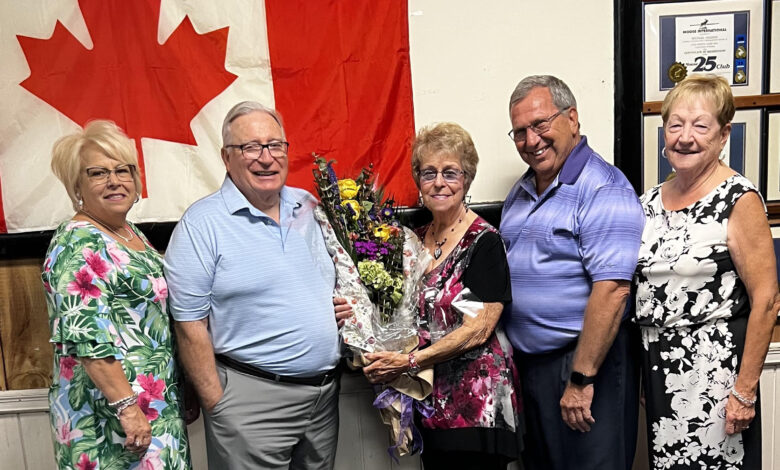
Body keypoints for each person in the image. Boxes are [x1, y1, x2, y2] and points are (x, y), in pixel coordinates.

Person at [164, 101, 351, 470]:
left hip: (324, 399)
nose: (266, 157)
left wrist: (338, 308)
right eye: (251, 147)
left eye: (275, 145)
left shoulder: (310, 206)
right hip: (250, 404)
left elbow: (323, 282)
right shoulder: (201, 225)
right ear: (226, 157)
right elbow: (189, 327)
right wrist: (219, 404)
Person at [634, 74, 779, 469]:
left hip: (717, 377)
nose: (684, 137)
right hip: (661, 372)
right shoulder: (648, 203)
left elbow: (766, 300)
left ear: (723, 133)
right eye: (675, 124)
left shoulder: (739, 199)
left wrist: (745, 391)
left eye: (700, 125)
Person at [500, 75, 645, 470]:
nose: (531, 141)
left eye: (541, 125)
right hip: (533, 367)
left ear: (572, 119)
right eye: (520, 132)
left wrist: (580, 380)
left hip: (583, 363)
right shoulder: (523, 189)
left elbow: (613, 291)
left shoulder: (603, 188)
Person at [363, 122, 522, 470]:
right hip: (429, 396)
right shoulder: (413, 241)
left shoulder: (484, 242)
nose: (439, 182)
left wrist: (410, 362)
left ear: (466, 179)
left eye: (451, 172)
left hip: (476, 402)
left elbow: (478, 329)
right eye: (429, 172)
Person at [42, 120, 192, 469]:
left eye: (123, 170)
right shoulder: (77, 242)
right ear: (77, 185)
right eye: (98, 173)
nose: (114, 181)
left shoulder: (128, 232)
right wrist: (126, 407)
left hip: (154, 404)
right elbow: (86, 336)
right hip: (110, 415)